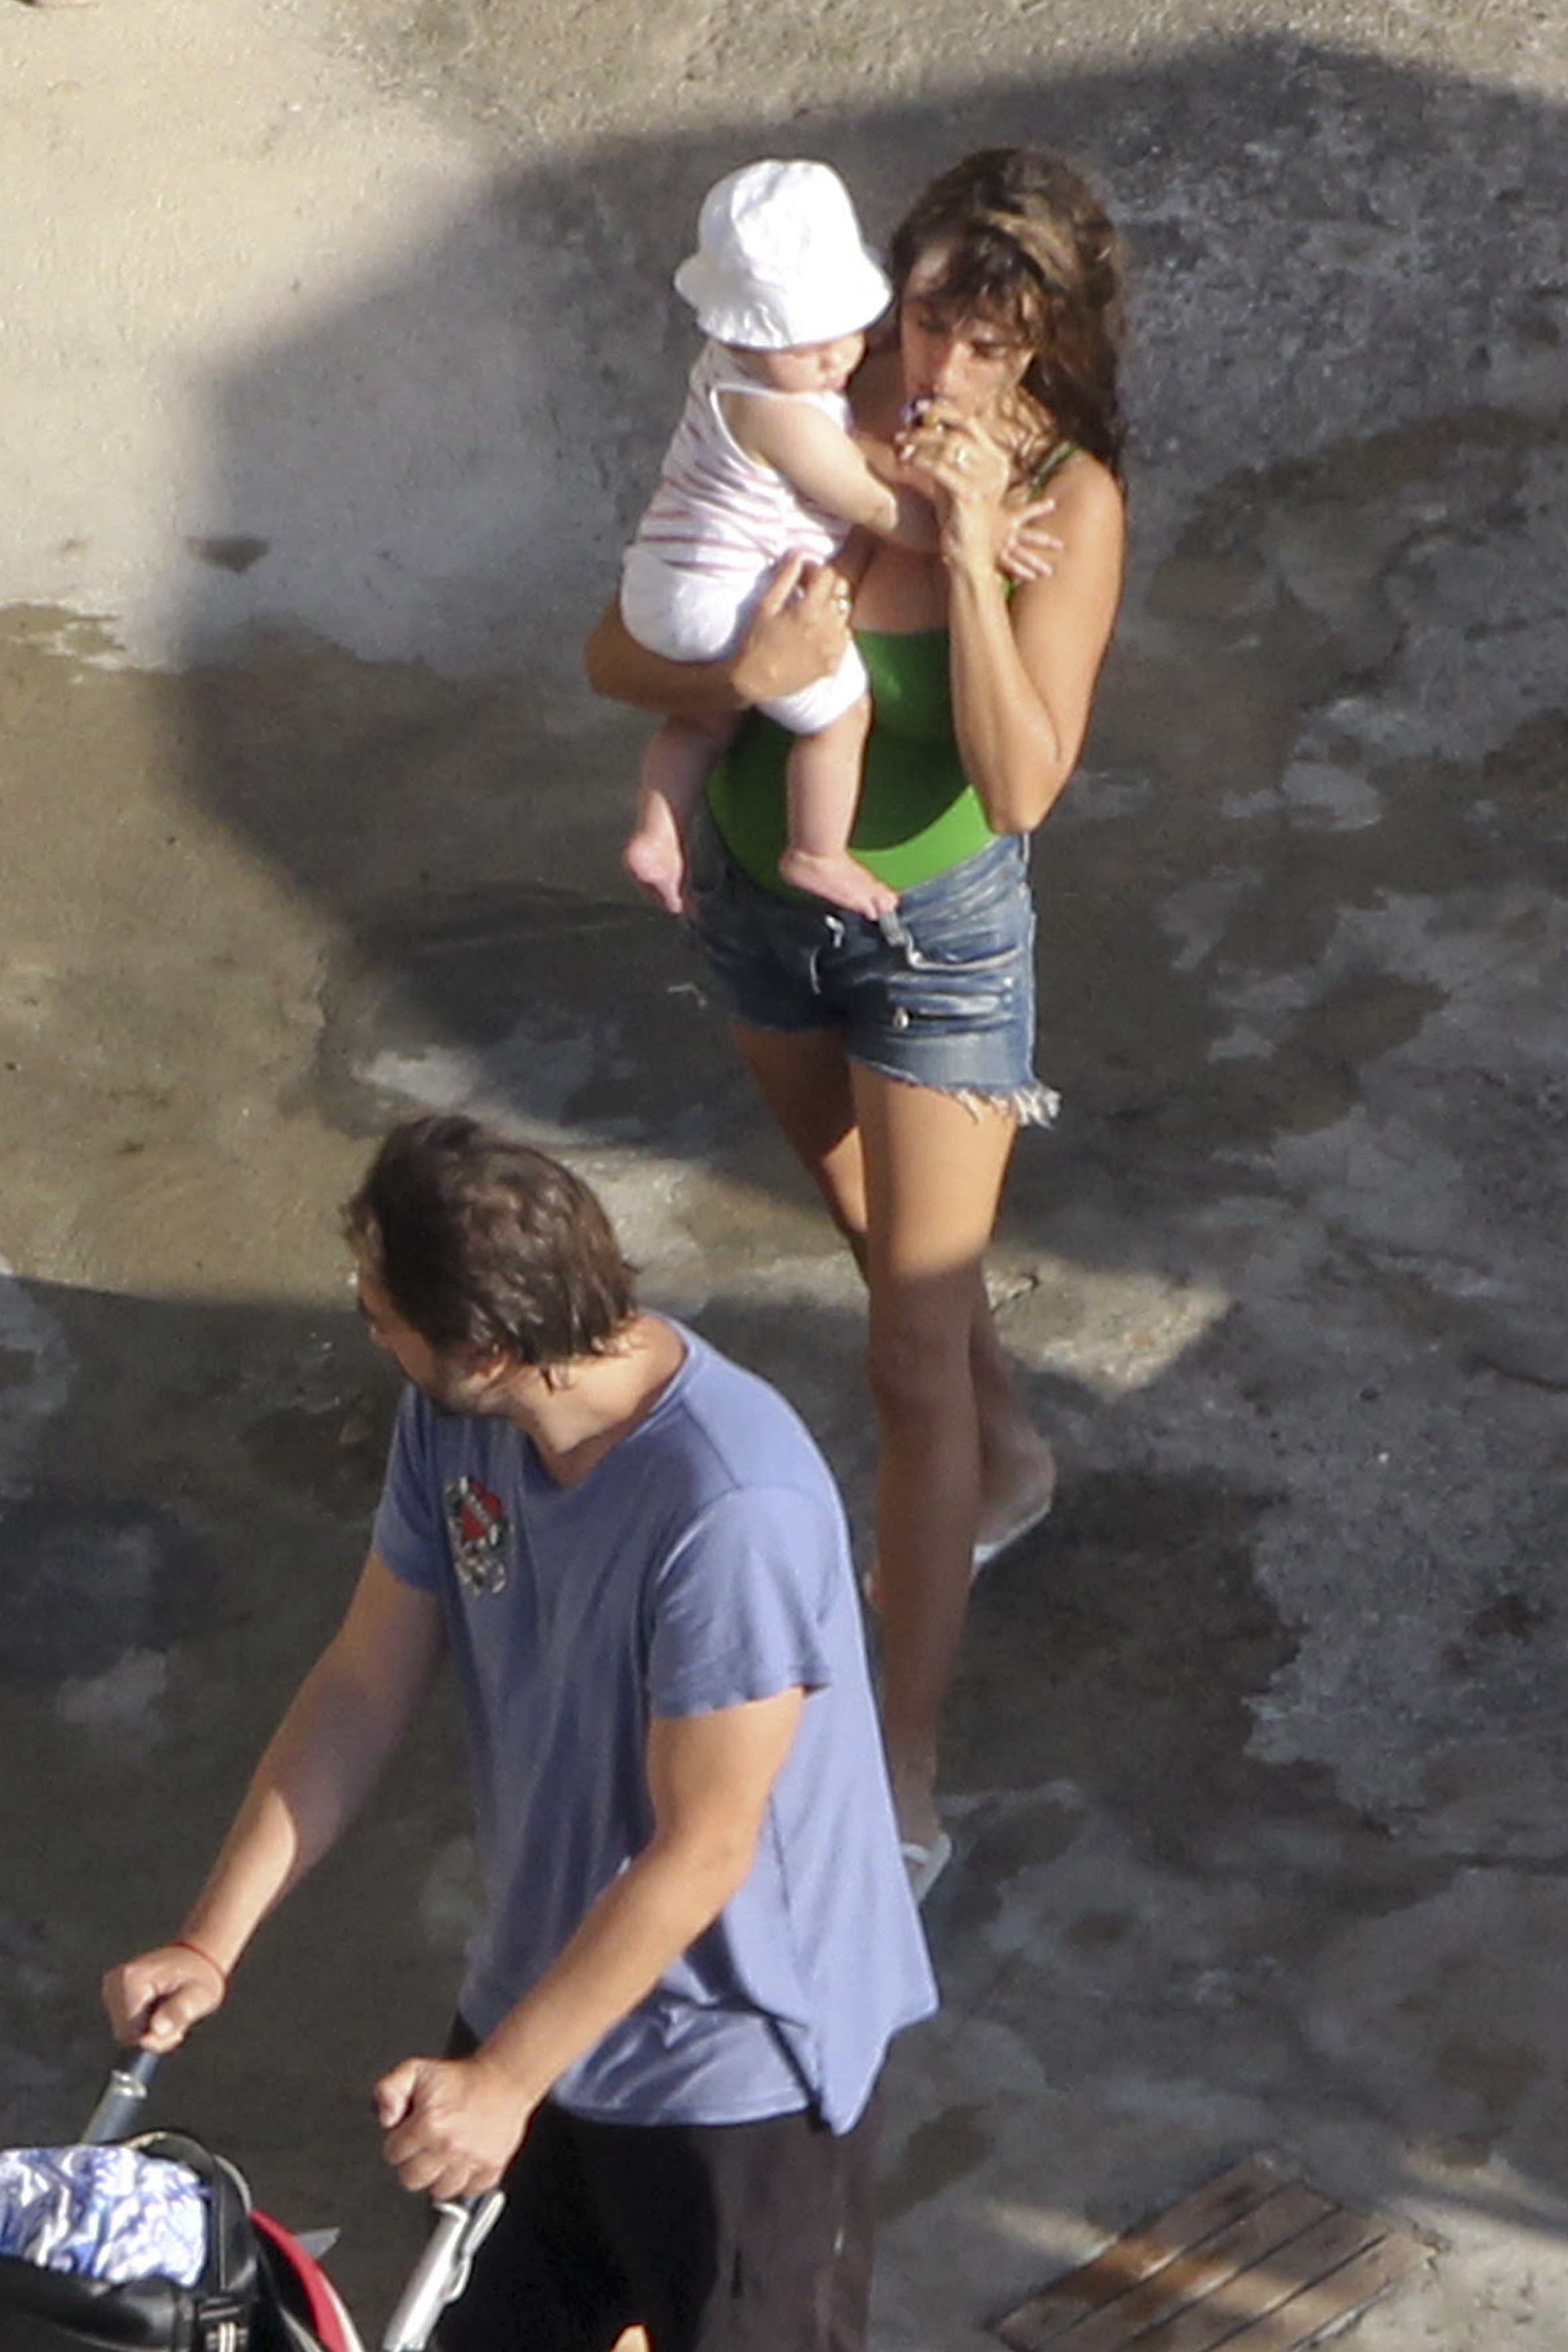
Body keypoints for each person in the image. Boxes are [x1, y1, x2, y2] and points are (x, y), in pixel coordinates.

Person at [102, 1113, 935, 2352]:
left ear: (488, 1345)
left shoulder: (729, 1504)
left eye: (380, 1309)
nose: (367, 1325)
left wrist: (504, 2083)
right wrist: (209, 1940)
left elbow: (703, 1846)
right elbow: (362, 1680)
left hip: (733, 2070)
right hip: (543, 2003)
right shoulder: (456, 1422)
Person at [586, 148, 1127, 1902]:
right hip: (763, 911)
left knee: (904, 1349)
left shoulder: (1067, 500)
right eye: (920, 321)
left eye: (986, 343)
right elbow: (616, 653)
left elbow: (1021, 777)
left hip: (941, 946)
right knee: (871, 1235)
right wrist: (726, 687)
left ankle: (897, 1758)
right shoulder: (796, 411)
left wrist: (969, 557)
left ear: (1049, 349)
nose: (936, 373)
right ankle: (1014, 1449)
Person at [621, 157, 936, 925]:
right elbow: (873, 505)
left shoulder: (725, 373)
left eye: (843, 335)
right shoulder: (785, 417)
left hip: (663, 573)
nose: (832, 359)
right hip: (719, 596)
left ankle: (658, 834)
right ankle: (816, 851)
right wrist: (957, 524)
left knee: (704, 719)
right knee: (840, 715)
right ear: (744, 337)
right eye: (803, 347)